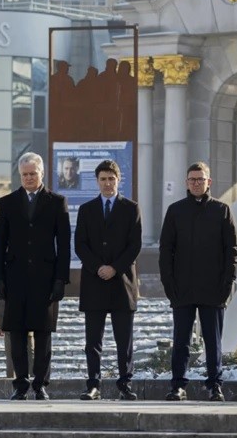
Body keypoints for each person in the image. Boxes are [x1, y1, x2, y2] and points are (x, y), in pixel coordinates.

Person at [158, 162, 237, 402]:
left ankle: (215, 386)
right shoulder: (175, 211)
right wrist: (169, 284)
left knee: (213, 341)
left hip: (213, 288)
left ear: (208, 182)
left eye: (200, 179)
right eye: (192, 179)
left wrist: (227, 282)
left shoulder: (222, 210)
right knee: (180, 341)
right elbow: (166, 250)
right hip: (182, 288)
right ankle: (178, 386)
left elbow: (231, 250)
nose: (196, 183)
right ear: (186, 182)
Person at [0, 152, 70, 400]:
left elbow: (64, 244)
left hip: (45, 278)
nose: (28, 178)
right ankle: (20, 383)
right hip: (15, 277)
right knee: (16, 332)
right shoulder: (7, 203)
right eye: (25, 174)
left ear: (41, 174)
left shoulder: (57, 202)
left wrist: (61, 279)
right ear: (20, 175)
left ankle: (40, 384)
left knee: (43, 332)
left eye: (33, 174)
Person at [74, 159, 142, 401]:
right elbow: (80, 244)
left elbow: (135, 245)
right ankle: (93, 384)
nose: (107, 183)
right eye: (103, 179)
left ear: (118, 179)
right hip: (94, 282)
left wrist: (114, 268)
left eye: (111, 179)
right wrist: (98, 267)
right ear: (97, 181)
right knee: (93, 341)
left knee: (124, 340)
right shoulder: (87, 209)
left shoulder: (131, 208)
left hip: (122, 282)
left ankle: (125, 384)